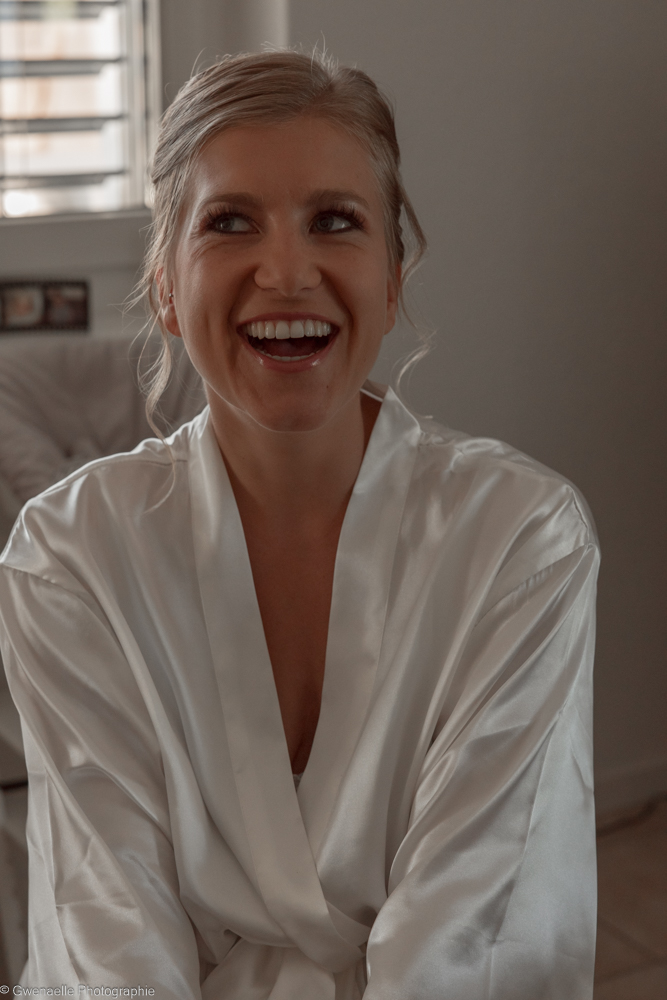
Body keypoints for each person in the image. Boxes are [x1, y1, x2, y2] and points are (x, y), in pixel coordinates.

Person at [0, 51, 599, 999]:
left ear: (392, 279)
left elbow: (480, 936)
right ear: (164, 286)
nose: (285, 271)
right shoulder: (66, 557)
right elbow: (106, 930)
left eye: (335, 221)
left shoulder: (521, 540)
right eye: (229, 222)